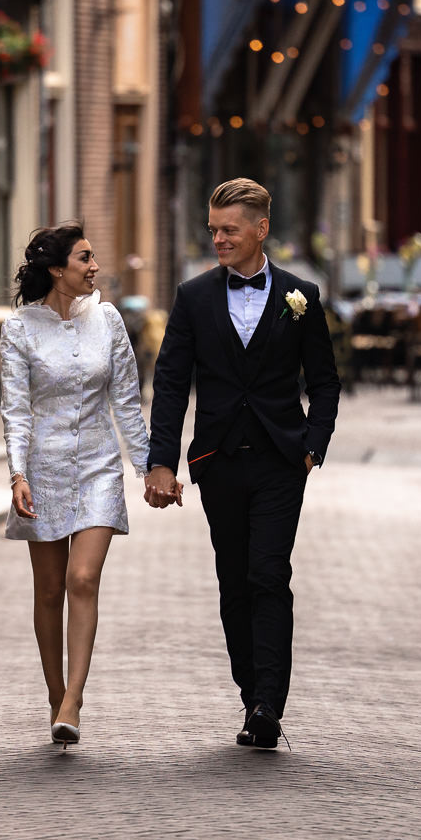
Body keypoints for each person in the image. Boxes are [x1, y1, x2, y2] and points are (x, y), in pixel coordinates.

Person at [145, 178, 341, 750]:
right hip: (219, 461)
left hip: (282, 461)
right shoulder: (194, 296)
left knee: (268, 575)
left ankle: (267, 706)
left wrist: (313, 444)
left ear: (260, 230)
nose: (219, 239)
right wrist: (162, 462)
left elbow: (325, 382)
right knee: (234, 581)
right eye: (213, 230)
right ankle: (249, 689)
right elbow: (172, 384)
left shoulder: (301, 295)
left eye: (229, 230)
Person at [0, 224, 150, 748]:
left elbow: (127, 402)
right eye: (85, 258)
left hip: (98, 466)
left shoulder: (108, 320)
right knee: (49, 589)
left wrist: (147, 467)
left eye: (93, 256)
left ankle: (74, 701)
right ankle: (53, 692)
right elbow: (16, 410)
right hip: (42, 469)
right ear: (57, 270)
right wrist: (17, 473)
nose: (95, 266)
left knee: (83, 578)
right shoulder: (19, 329)